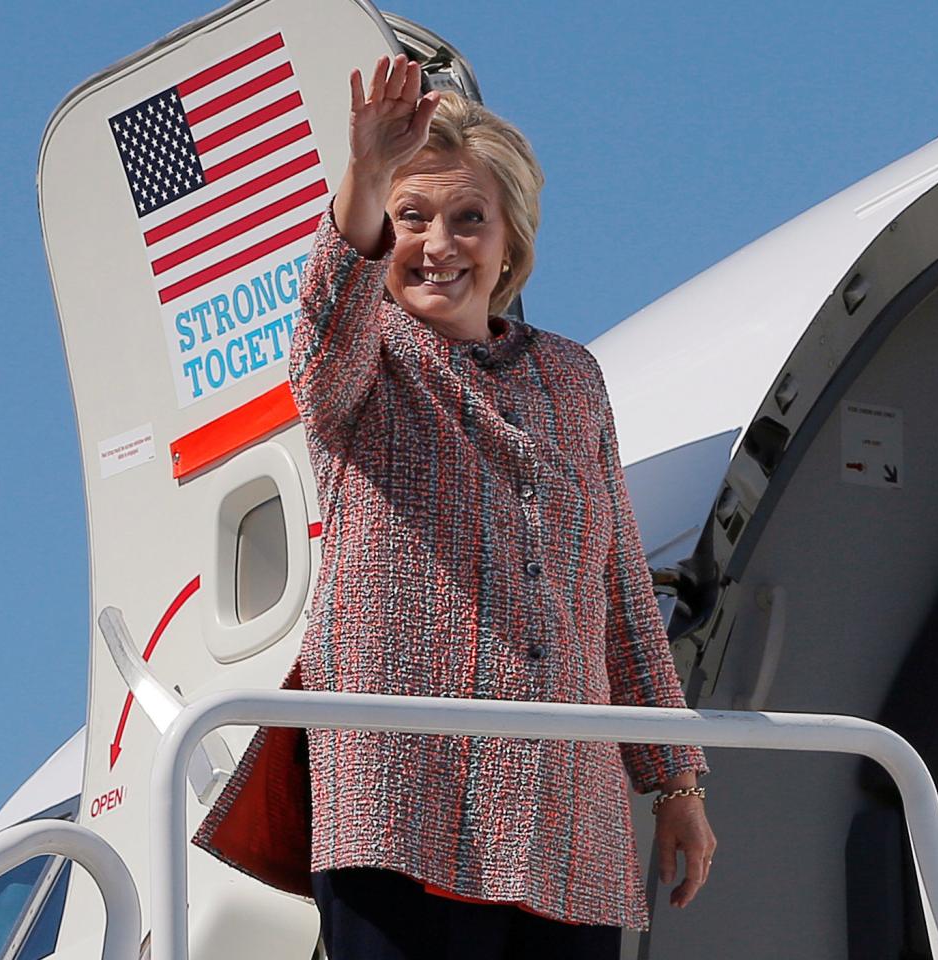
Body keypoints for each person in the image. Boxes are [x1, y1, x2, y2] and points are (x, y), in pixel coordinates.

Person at [191, 54, 717, 959]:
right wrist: (363, 173)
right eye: (412, 218)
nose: (438, 243)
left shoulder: (573, 378)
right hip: (401, 792)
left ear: (510, 243)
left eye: (469, 218)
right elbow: (320, 345)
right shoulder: (363, 357)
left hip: (565, 810)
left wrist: (675, 783)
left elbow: (620, 594)